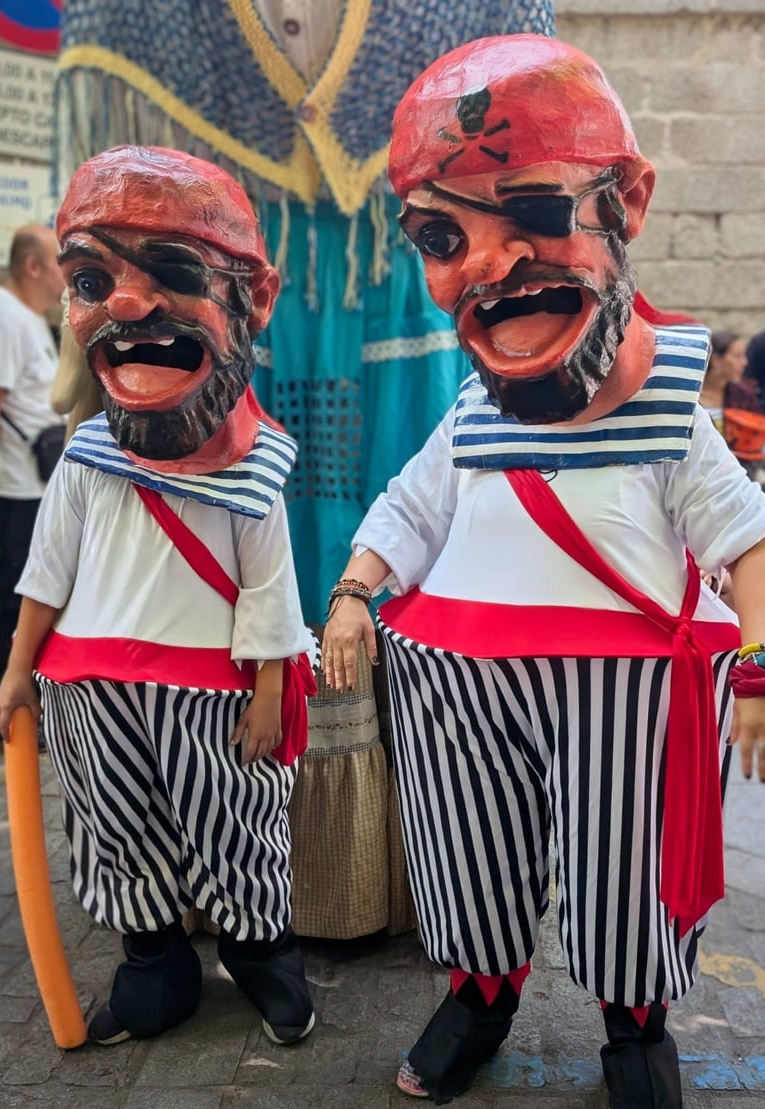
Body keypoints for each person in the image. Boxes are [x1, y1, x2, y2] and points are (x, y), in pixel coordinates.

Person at [323, 35, 765, 1108]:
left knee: (627, 868)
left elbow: (743, 536)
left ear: (625, 204)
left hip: (623, 687)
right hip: (461, 678)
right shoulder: (474, 408)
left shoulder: (668, 407)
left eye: (535, 210)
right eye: (443, 232)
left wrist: (753, 661)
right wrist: (351, 590)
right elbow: (415, 504)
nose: (490, 262)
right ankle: (479, 994)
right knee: (467, 848)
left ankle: (634, 1027)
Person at [53, 0, 556, 942]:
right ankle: (207, 877)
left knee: (405, 532)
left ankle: (402, 871)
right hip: (223, 281)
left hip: (389, 278)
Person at [0, 147, 318, 1048]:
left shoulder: (255, 464)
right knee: (114, 826)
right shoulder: (88, 458)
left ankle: (261, 953)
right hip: (89, 684)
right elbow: (45, 574)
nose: (129, 305)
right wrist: (19, 671)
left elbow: (270, 579)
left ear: (249, 299)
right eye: (95, 277)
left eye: (174, 271)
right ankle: (152, 958)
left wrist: (264, 689)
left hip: (210, 684)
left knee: (235, 822)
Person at [0, 225, 65, 688]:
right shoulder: (6, 316)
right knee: (14, 598)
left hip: (35, 483)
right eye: (59, 261)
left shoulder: (29, 316)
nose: (67, 273)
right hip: (16, 486)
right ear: (33, 266)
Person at [701, 331, 765, 479]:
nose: (745, 362)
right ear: (716, 360)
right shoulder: (691, 396)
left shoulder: (744, 396)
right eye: (737, 356)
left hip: (740, 475)